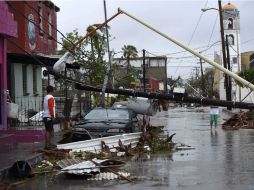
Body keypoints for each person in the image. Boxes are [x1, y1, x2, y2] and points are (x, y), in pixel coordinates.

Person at [42, 86, 56, 150]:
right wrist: (52, 116)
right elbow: (51, 107)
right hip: (49, 116)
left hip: (46, 116)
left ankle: (48, 144)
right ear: (52, 91)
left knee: (49, 130)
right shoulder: (50, 97)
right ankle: (47, 145)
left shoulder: (45, 97)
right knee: (48, 130)